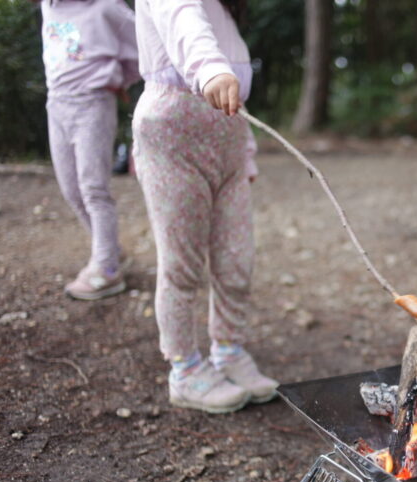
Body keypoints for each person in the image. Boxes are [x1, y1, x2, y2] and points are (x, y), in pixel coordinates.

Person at [132, 0, 276, 413]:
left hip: (228, 144)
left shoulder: (226, 9)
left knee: (236, 258)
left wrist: (244, 153)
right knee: (182, 263)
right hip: (173, 137)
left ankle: (228, 351)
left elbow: (236, 91)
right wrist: (210, 67)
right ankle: (185, 369)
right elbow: (182, 18)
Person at [40, 0, 139, 300]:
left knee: (94, 189)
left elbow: (144, 42)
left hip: (93, 102)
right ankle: (108, 249)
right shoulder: (49, 6)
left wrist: (122, 78)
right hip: (56, 103)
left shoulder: (105, 6)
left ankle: (107, 270)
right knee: (71, 190)